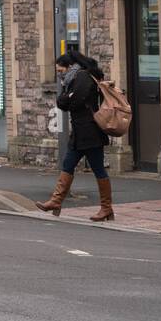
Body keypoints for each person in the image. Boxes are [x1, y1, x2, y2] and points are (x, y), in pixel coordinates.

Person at [36, 50, 113, 221]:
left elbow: (72, 101)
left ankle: (106, 208)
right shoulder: (73, 79)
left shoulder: (83, 77)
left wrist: (65, 98)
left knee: (98, 169)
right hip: (80, 132)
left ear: (70, 66)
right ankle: (56, 201)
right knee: (68, 164)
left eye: (60, 71)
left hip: (90, 132)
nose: (58, 75)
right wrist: (66, 98)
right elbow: (65, 101)